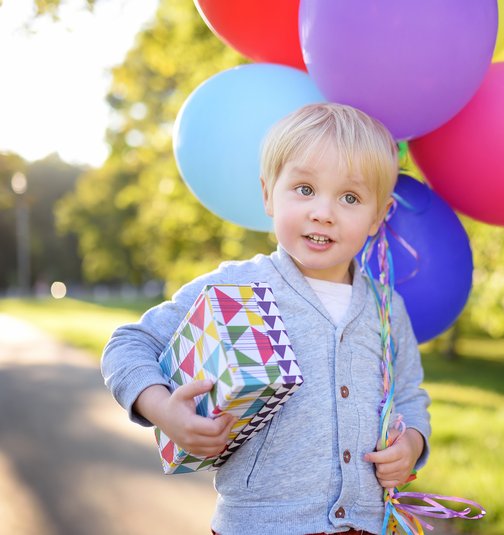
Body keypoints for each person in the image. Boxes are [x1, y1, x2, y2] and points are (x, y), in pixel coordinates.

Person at [101, 103, 431, 535]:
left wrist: (411, 443)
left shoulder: (387, 309)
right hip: (260, 525)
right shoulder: (236, 287)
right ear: (267, 194)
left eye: (350, 197)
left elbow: (408, 393)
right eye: (305, 189)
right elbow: (128, 343)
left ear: (378, 216)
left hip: (367, 524)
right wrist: (163, 409)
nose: (323, 212)